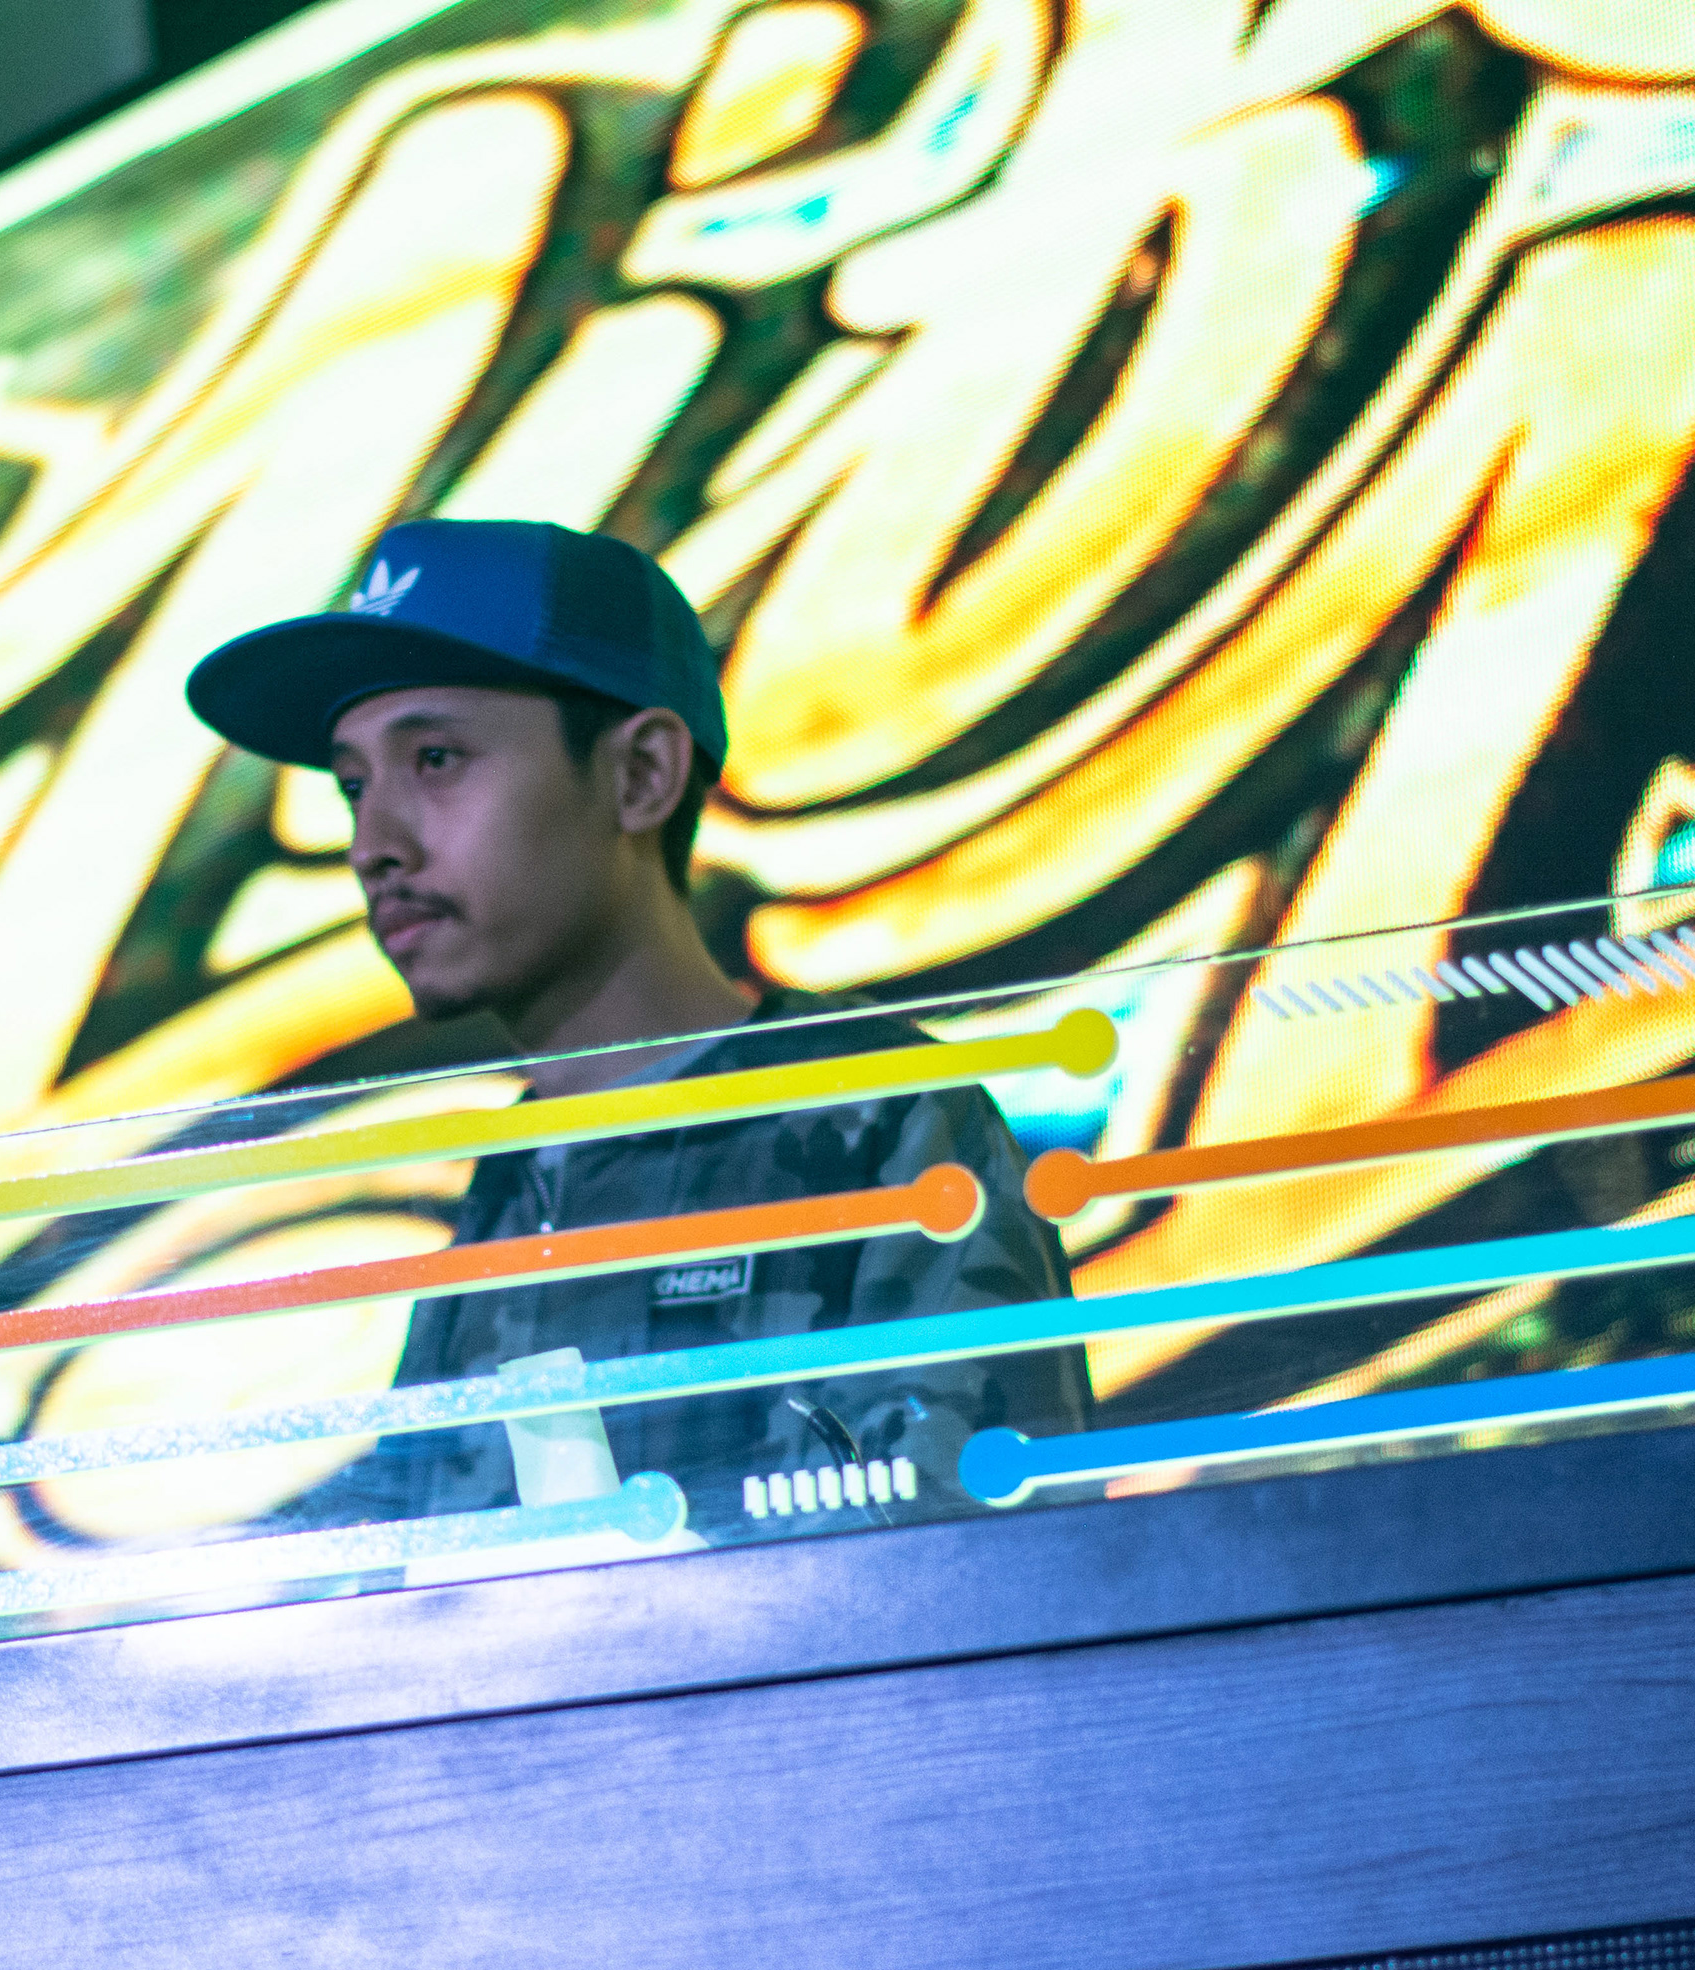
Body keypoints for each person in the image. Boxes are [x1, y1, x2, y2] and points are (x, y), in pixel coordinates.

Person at [183, 517, 1091, 1525]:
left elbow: (996, 1573)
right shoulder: (507, 1188)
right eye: (354, 786)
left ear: (642, 774)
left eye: (435, 758)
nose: (372, 844)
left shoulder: (879, 1120)